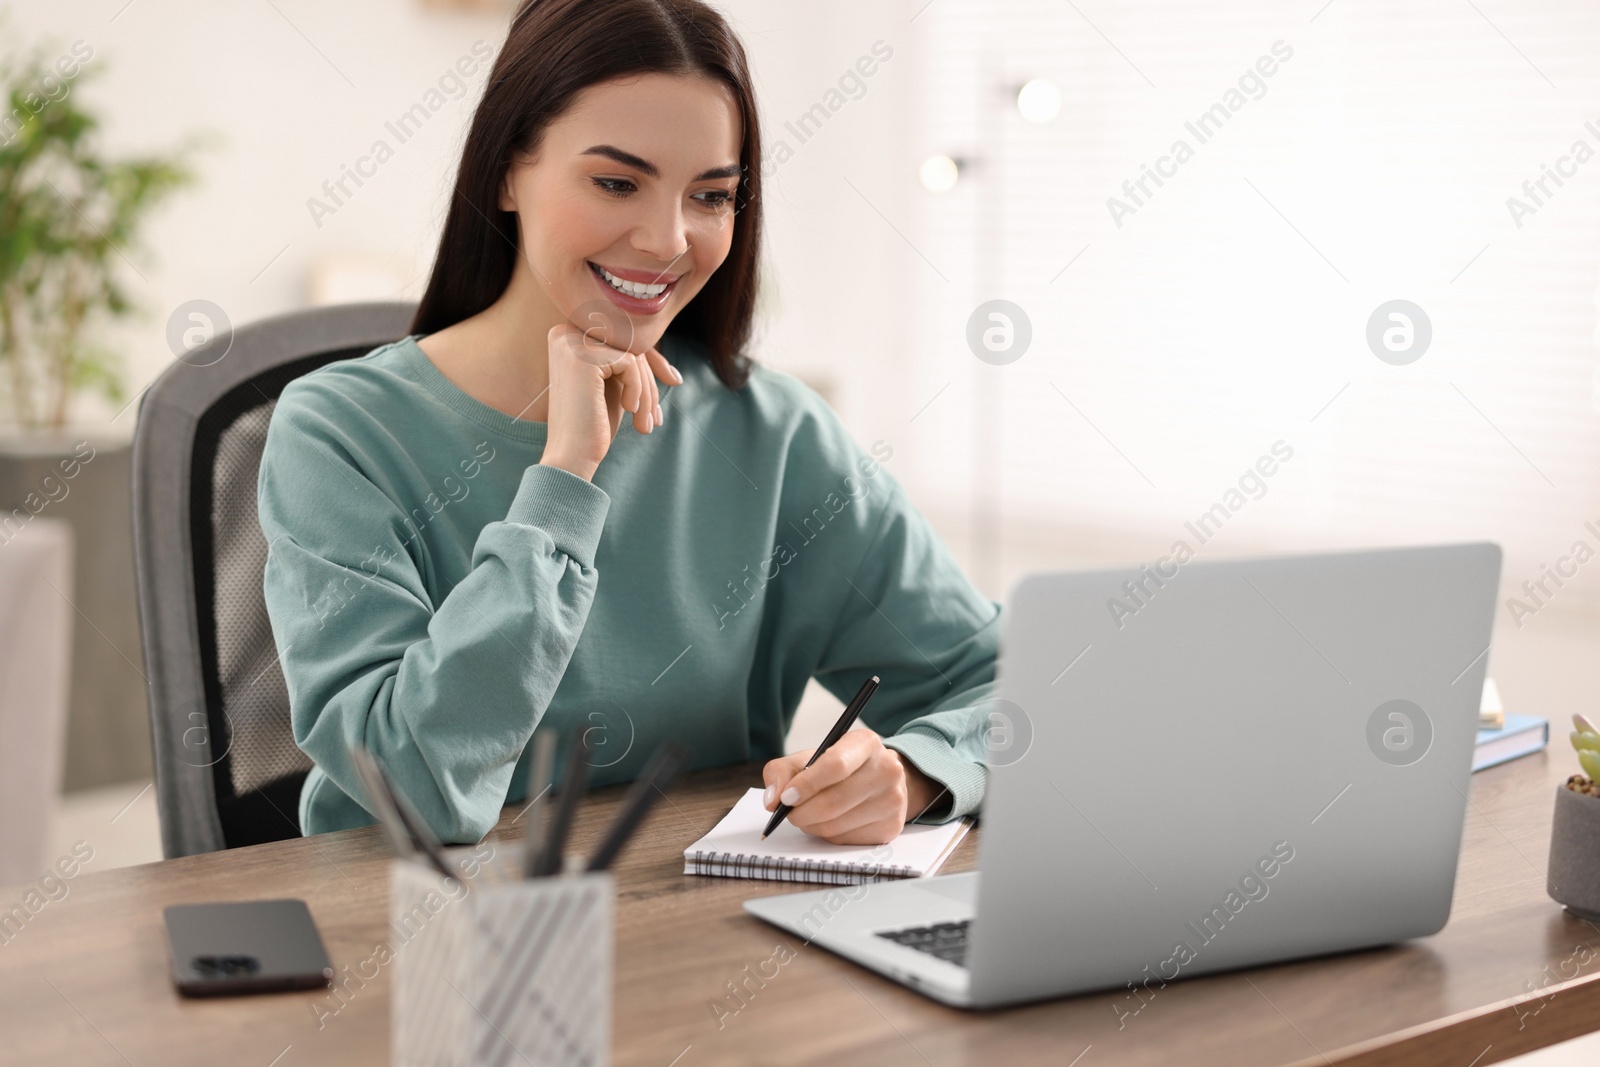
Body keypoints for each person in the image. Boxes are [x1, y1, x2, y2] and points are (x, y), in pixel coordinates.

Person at [257, 0, 1002, 847]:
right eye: (617, 182)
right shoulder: (340, 434)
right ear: (507, 171)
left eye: (711, 195)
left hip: (694, 936)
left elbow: (1013, 682)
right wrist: (564, 481)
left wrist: (914, 772)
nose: (666, 238)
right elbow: (410, 789)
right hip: (410, 940)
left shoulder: (773, 433)